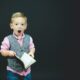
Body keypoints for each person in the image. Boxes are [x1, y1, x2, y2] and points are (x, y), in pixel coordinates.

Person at [0, 12, 35, 80]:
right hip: (13, 70)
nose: (19, 26)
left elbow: (32, 47)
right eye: (16, 24)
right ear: (11, 26)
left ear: (25, 26)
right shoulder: (7, 39)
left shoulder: (29, 38)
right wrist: (8, 53)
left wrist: (31, 52)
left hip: (26, 70)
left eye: (22, 24)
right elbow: (2, 51)